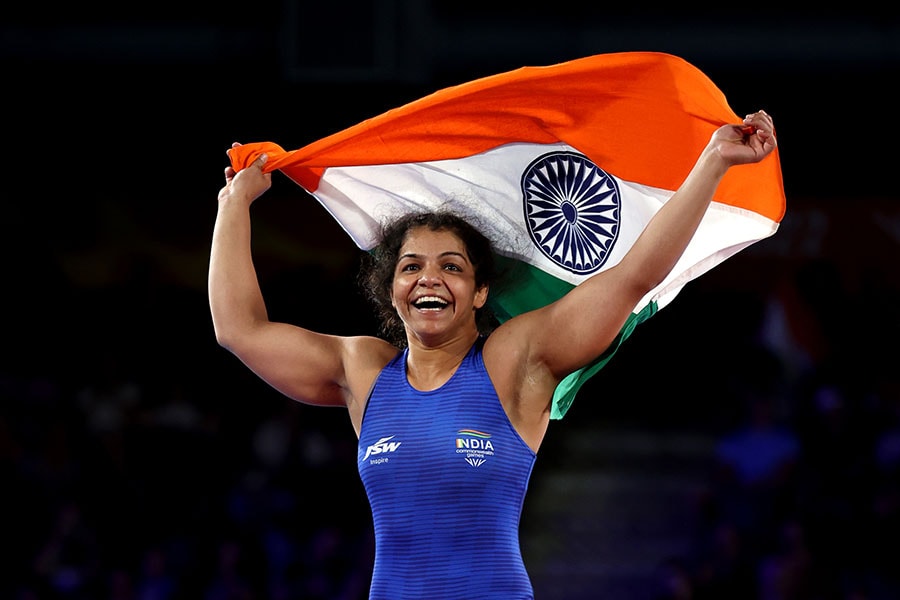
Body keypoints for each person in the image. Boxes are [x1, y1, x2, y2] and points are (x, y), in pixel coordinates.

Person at [208, 110, 778, 599]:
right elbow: (240, 330)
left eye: (451, 266)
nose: (430, 278)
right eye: (412, 266)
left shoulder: (513, 361)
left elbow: (630, 280)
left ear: (480, 293)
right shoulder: (363, 370)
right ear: (392, 291)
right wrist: (234, 204)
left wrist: (712, 163)